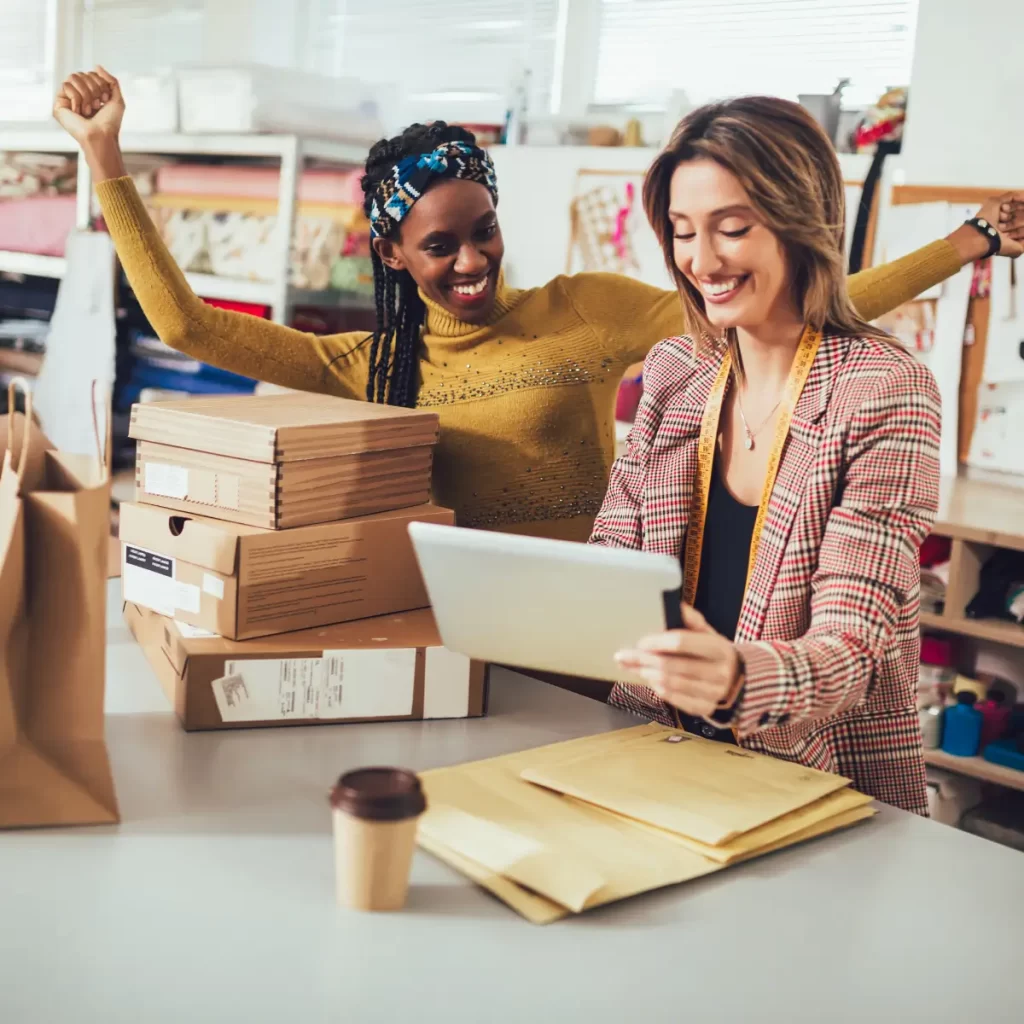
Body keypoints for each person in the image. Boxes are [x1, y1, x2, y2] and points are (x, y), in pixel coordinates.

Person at [54, 68, 1024, 544]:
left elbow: (797, 306)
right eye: (439, 245)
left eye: (483, 228)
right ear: (390, 254)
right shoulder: (360, 365)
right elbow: (182, 328)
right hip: (444, 628)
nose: (470, 259)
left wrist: (965, 242)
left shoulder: (587, 310)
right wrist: (105, 161)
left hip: (596, 640)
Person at [595, 96, 987, 815]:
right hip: (649, 757)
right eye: (683, 232)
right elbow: (608, 566)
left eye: (732, 228)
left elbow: (855, 648)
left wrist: (737, 680)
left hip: (811, 785)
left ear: (802, 222)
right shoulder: (675, 373)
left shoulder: (883, 389)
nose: (701, 261)